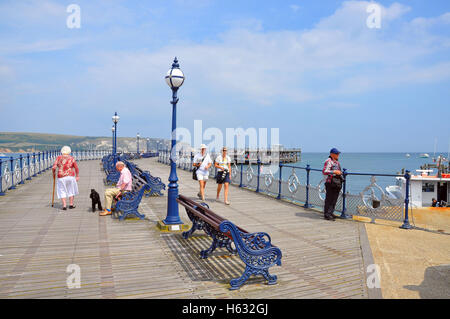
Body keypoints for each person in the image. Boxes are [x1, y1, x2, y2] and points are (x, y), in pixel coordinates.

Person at [52, 146, 79, 210]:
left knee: (62, 190)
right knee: (71, 190)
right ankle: (71, 204)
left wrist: (53, 173)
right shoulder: (72, 158)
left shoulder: (58, 158)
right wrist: (77, 176)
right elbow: (76, 168)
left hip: (61, 177)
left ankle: (64, 205)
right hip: (70, 176)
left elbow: (54, 167)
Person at [322, 148, 343, 221]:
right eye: (336, 154)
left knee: (334, 199)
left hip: (336, 183)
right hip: (330, 182)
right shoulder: (328, 161)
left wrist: (339, 173)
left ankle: (330, 212)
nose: (338, 155)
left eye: (338, 154)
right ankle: (327, 214)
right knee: (329, 199)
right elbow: (325, 171)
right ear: (332, 154)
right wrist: (334, 172)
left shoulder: (337, 162)